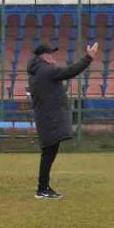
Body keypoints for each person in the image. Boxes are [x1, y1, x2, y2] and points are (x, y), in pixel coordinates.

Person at [27, 43, 99, 199]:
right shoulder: (46, 70)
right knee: (48, 153)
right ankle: (42, 189)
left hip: (47, 116)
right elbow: (70, 71)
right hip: (49, 118)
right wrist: (88, 58)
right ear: (44, 56)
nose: (53, 57)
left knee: (49, 152)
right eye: (50, 54)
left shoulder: (38, 71)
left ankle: (43, 187)